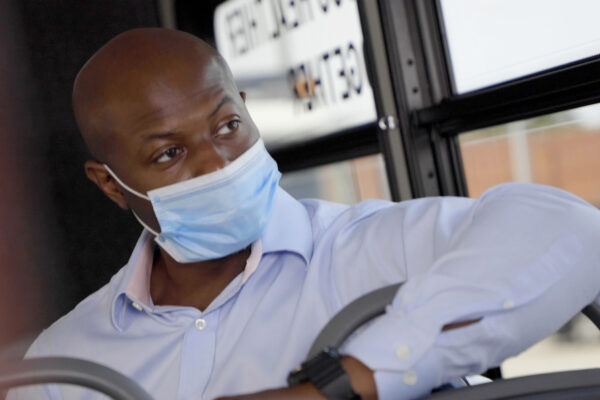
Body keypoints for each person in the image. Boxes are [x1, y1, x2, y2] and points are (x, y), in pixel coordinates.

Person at [8, 28, 600, 400]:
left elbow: (572, 230)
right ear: (111, 186)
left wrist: (339, 384)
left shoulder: (366, 250)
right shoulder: (67, 363)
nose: (218, 163)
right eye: (169, 153)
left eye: (227, 126)